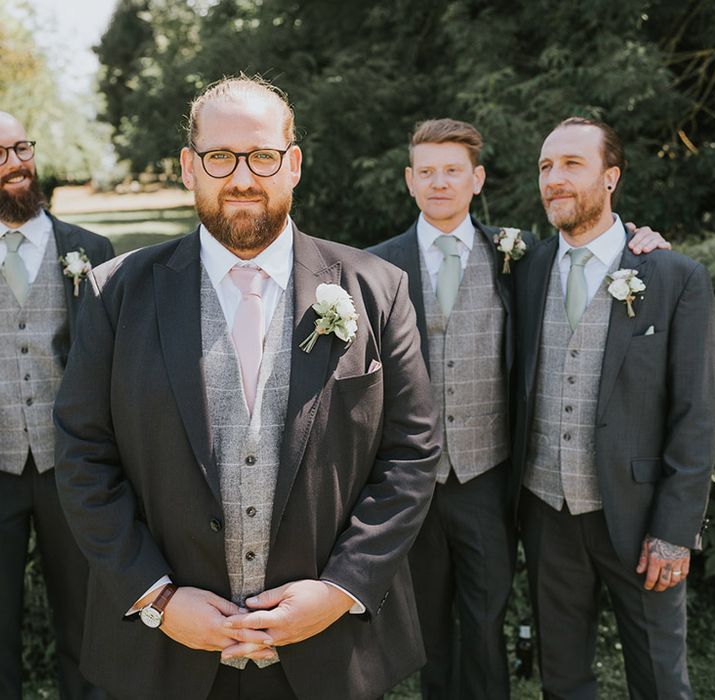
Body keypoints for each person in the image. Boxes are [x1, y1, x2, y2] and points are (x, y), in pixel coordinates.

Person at [53, 76, 440, 700]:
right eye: (219, 157)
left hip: (329, 654)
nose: (241, 177)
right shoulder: (115, 294)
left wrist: (341, 589)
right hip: (165, 656)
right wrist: (157, 597)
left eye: (262, 156)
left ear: (293, 165)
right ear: (188, 167)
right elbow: (82, 458)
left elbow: (410, 455)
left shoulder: (377, 289)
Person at [369, 118, 666, 700]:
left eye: (453, 170)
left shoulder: (519, 256)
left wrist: (641, 241)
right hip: (412, 482)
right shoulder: (375, 267)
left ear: (477, 179)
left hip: (489, 478)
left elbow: (589, 249)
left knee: (486, 621)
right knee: (430, 627)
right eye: (426, 172)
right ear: (409, 181)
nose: (439, 183)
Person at [510, 117, 715, 699]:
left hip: (641, 521)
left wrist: (675, 531)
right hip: (546, 512)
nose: (554, 178)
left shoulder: (674, 276)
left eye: (572, 164)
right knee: (564, 680)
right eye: (546, 166)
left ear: (611, 177)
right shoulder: (524, 271)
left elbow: (695, 415)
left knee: (659, 679)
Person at [0, 112, 114, 700]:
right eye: (0, 154)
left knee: (84, 618)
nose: (16, 162)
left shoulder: (91, 252)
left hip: (71, 468)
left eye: (22, 146)